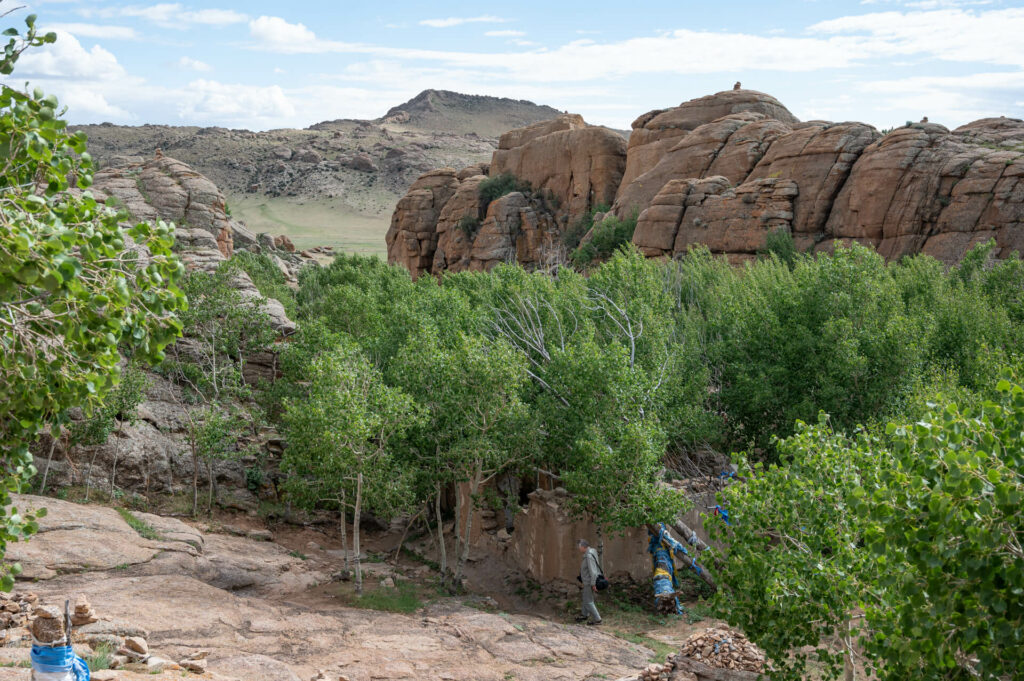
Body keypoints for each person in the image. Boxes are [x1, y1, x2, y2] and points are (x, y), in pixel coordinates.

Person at [575, 539, 602, 625]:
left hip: (589, 582)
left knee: (588, 600)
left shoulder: (589, 556)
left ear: (583, 547)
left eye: (579, 547)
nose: (579, 549)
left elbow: (593, 571)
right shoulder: (591, 552)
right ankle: (584, 615)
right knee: (585, 598)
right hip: (587, 581)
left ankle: (598, 619)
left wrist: (593, 584)